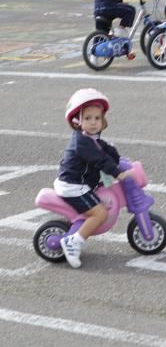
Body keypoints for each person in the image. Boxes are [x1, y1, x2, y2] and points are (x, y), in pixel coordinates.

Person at [56, 88, 134, 268]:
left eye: (97, 118)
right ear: (78, 120)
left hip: (79, 183)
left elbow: (105, 150)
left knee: (99, 200)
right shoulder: (82, 143)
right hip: (74, 186)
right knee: (100, 213)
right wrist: (118, 173)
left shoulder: (91, 138)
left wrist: (119, 159)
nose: (93, 122)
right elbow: (99, 159)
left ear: (103, 120)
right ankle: (73, 242)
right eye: (88, 118)